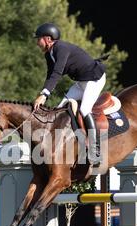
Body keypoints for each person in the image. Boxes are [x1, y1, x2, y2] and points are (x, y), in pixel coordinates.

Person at [33, 23, 107, 166]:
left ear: (48, 39)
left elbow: (57, 73)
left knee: (85, 109)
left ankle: (95, 150)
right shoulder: (49, 53)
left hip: (94, 79)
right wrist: (43, 93)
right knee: (60, 109)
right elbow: (50, 76)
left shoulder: (61, 48)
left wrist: (44, 95)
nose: (37, 42)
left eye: (38, 39)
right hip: (81, 82)